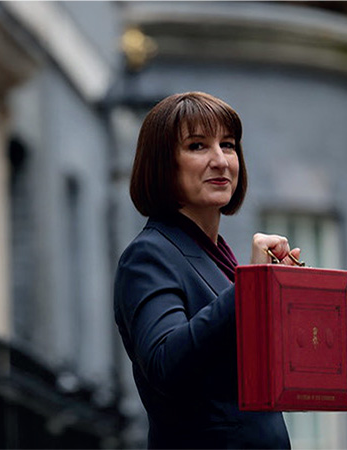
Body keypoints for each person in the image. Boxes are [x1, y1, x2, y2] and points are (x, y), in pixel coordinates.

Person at [114, 92, 300, 449]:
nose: (220, 161)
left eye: (228, 145)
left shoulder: (219, 261)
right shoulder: (149, 255)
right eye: (198, 146)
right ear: (162, 163)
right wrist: (250, 289)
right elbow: (166, 361)